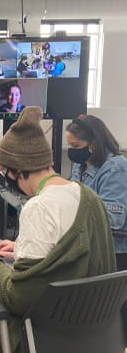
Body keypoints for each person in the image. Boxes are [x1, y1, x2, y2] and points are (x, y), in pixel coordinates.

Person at [0, 106, 116, 353]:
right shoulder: (87, 195)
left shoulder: (38, 207)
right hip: (94, 331)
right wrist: (21, 245)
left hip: (46, 335)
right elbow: (68, 249)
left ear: (13, 171)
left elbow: (17, 297)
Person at [66, 115, 127, 269]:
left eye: (75, 145)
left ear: (93, 144)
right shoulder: (80, 163)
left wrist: (68, 214)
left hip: (112, 250)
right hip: (84, 241)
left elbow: (113, 220)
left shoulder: (115, 168)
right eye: (69, 145)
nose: (71, 150)